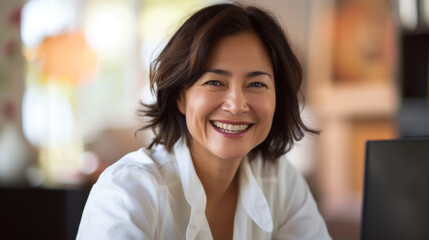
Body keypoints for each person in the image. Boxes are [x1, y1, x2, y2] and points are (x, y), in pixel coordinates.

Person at [77, 3, 331, 240]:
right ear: (180, 97)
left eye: (256, 84)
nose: (236, 105)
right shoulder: (127, 192)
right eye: (214, 82)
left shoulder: (281, 182)